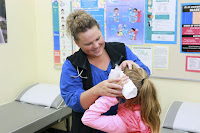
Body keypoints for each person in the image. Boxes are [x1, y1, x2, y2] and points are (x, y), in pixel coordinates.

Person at [60, 10, 150, 133]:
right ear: (77, 43)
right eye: (89, 43)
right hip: (90, 128)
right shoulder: (72, 64)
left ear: (101, 31)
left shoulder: (120, 50)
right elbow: (73, 101)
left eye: (98, 38)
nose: (96, 46)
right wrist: (97, 91)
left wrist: (135, 68)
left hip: (125, 125)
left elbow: (144, 74)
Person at [82, 66, 161, 133]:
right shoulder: (150, 111)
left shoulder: (123, 122)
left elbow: (88, 119)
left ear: (125, 92)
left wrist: (112, 94)